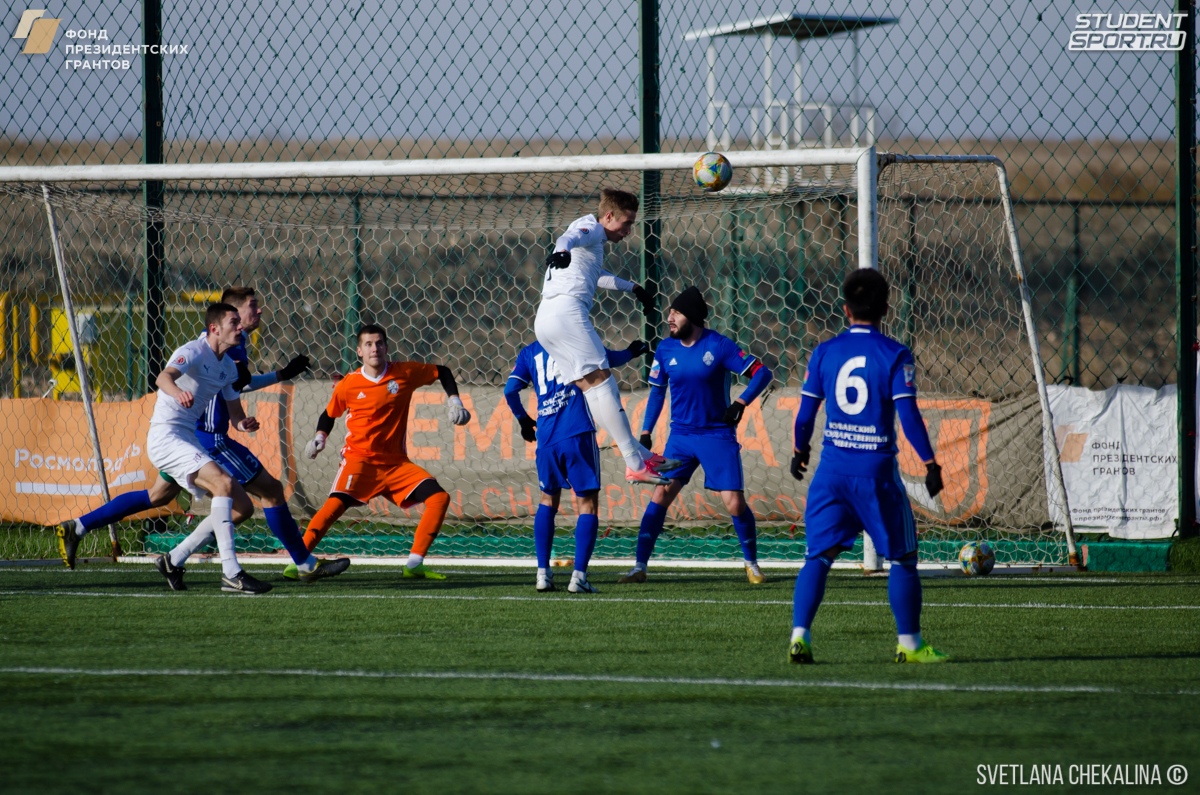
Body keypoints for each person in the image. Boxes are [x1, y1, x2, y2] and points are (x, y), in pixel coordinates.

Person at [57, 287, 348, 586]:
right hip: (200, 438)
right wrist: (179, 392)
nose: (258, 312)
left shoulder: (230, 354)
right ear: (220, 323)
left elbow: (234, 391)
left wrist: (246, 417)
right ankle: (268, 568)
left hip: (190, 439)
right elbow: (164, 377)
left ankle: (88, 529)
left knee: (169, 497)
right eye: (250, 307)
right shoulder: (198, 350)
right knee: (266, 490)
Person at [787, 268, 948, 664]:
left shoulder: (824, 352)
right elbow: (909, 417)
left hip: (831, 473)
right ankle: (910, 645)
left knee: (818, 558)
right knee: (904, 559)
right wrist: (930, 462)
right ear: (886, 309)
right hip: (875, 474)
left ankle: (799, 637)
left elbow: (805, 414)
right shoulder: (894, 354)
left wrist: (800, 449)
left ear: (845, 310)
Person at [617, 287, 773, 585]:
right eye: (670, 312)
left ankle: (751, 564)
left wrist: (740, 403)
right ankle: (639, 567)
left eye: (676, 312)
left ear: (693, 317)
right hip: (681, 438)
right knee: (660, 494)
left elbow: (763, 373)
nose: (670, 317)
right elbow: (657, 393)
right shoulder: (665, 349)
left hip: (717, 436)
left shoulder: (720, 345)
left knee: (734, 504)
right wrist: (647, 432)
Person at [534, 187, 680, 487]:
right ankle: (635, 463)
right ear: (609, 216)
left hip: (545, 320)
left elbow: (592, 274)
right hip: (566, 312)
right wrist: (561, 250)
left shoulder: (594, 243)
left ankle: (639, 455)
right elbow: (567, 239)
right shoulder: (589, 227)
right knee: (603, 381)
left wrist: (632, 288)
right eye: (626, 223)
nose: (628, 231)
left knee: (590, 387)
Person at [302, 324, 471, 580]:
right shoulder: (349, 384)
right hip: (359, 461)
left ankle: (414, 565)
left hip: (395, 465)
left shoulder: (403, 373)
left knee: (439, 498)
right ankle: (298, 560)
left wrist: (455, 400)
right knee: (334, 507)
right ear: (359, 351)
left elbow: (443, 371)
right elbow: (329, 414)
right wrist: (319, 437)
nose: (374, 348)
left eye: (379, 343)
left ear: (386, 347)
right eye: (368, 344)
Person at [505, 337, 650, 594]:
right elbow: (606, 359)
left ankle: (542, 574)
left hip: (546, 438)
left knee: (547, 500)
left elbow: (509, 390)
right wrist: (630, 352)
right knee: (588, 504)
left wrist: (523, 420)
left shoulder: (529, 352)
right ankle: (579, 578)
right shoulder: (574, 338)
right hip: (577, 432)